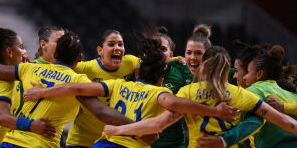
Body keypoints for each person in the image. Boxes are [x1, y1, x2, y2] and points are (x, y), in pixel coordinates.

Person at [22, 30, 240, 148]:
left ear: (138, 70)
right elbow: (170, 109)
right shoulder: (160, 93)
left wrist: (41, 89)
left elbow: (72, 84)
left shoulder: (119, 83)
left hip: (103, 142)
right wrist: (215, 111)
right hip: (116, 142)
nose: (117, 49)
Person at [0, 30, 141, 148]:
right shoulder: (79, 81)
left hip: (9, 143)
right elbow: (101, 111)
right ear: (79, 58)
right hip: (41, 144)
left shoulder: (30, 68)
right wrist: (137, 127)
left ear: (56, 54)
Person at [102, 46, 297, 148]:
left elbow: (158, 124)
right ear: (226, 67)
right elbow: (283, 120)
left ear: (203, 64)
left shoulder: (188, 92)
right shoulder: (240, 94)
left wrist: (119, 130)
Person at [152, 24, 237, 148]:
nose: (192, 58)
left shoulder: (225, 73)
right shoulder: (180, 69)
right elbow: (161, 59)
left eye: (198, 53)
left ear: (209, 55)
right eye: (188, 53)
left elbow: (247, 75)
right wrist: (176, 59)